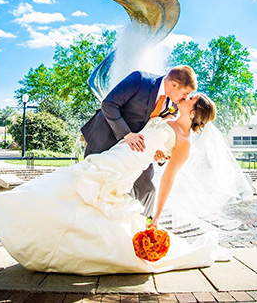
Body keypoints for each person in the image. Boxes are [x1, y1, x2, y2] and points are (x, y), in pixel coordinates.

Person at [0, 93, 228, 275]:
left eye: (190, 98)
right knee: (68, 187)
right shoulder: (168, 114)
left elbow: (168, 179)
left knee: (84, 194)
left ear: (194, 112)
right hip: (115, 155)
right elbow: (150, 132)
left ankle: (59, 245)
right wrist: (156, 149)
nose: (185, 97)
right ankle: (30, 225)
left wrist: (156, 217)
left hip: (124, 170)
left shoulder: (184, 142)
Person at [81, 65, 197, 216]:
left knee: (147, 189)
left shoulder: (174, 104)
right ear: (174, 84)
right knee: (92, 182)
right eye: (185, 93)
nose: (185, 98)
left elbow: (160, 130)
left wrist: (160, 154)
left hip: (137, 151)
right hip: (106, 138)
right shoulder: (140, 80)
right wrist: (127, 134)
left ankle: (143, 227)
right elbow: (109, 105)